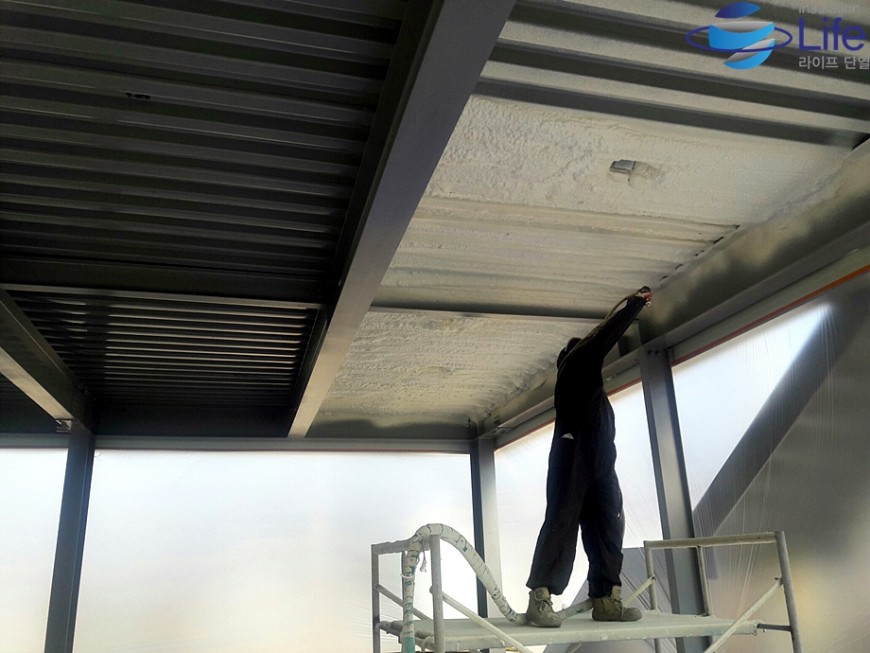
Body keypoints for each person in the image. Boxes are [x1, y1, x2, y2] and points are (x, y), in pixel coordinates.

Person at [525, 286, 652, 628]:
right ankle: (540, 598)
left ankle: (606, 598)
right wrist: (634, 306)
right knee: (562, 524)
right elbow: (602, 339)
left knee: (607, 526)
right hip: (573, 459)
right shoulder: (577, 362)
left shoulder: (591, 388)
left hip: (600, 464)